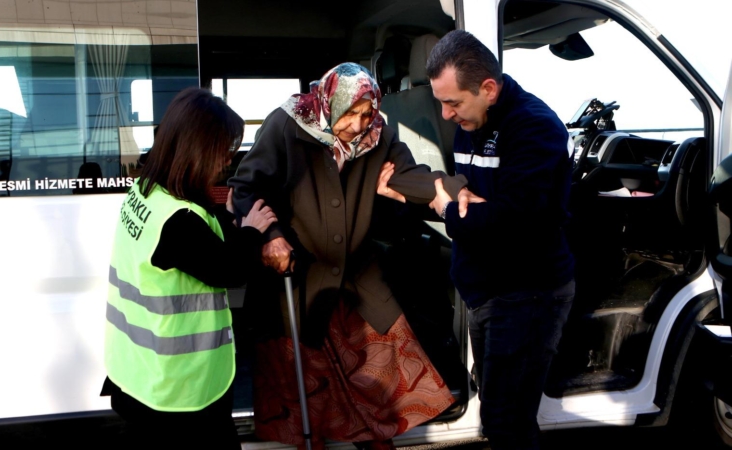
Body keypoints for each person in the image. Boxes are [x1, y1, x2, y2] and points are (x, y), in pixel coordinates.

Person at [228, 62, 467, 450]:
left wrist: (449, 190)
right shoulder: (287, 125)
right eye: (351, 113)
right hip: (300, 284)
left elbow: (406, 175)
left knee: (380, 404)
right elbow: (245, 188)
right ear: (329, 103)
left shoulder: (379, 134)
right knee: (311, 416)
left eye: (367, 113)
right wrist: (270, 237)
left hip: (357, 283)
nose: (359, 125)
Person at [424, 30, 576, 450]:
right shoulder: (472, 119)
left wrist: (447, 208)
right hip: (485, 289)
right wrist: (463, 199)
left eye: (452, 102)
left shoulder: (534, 128)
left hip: (528, 293)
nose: (447, 114)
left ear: (488, 88)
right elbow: (472, 196)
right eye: (441, 102)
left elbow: (512, 221)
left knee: (506, 420)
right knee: (497, 409)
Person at [101, 87, 277, 447]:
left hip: (137, 375)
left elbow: (196, 244)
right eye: (222, 151)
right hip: (179, 394)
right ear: (196, 149)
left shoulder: (147, 192)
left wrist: (226, 218)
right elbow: (227, 271)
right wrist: (252, 232)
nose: (226, 162)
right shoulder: (177, 222)